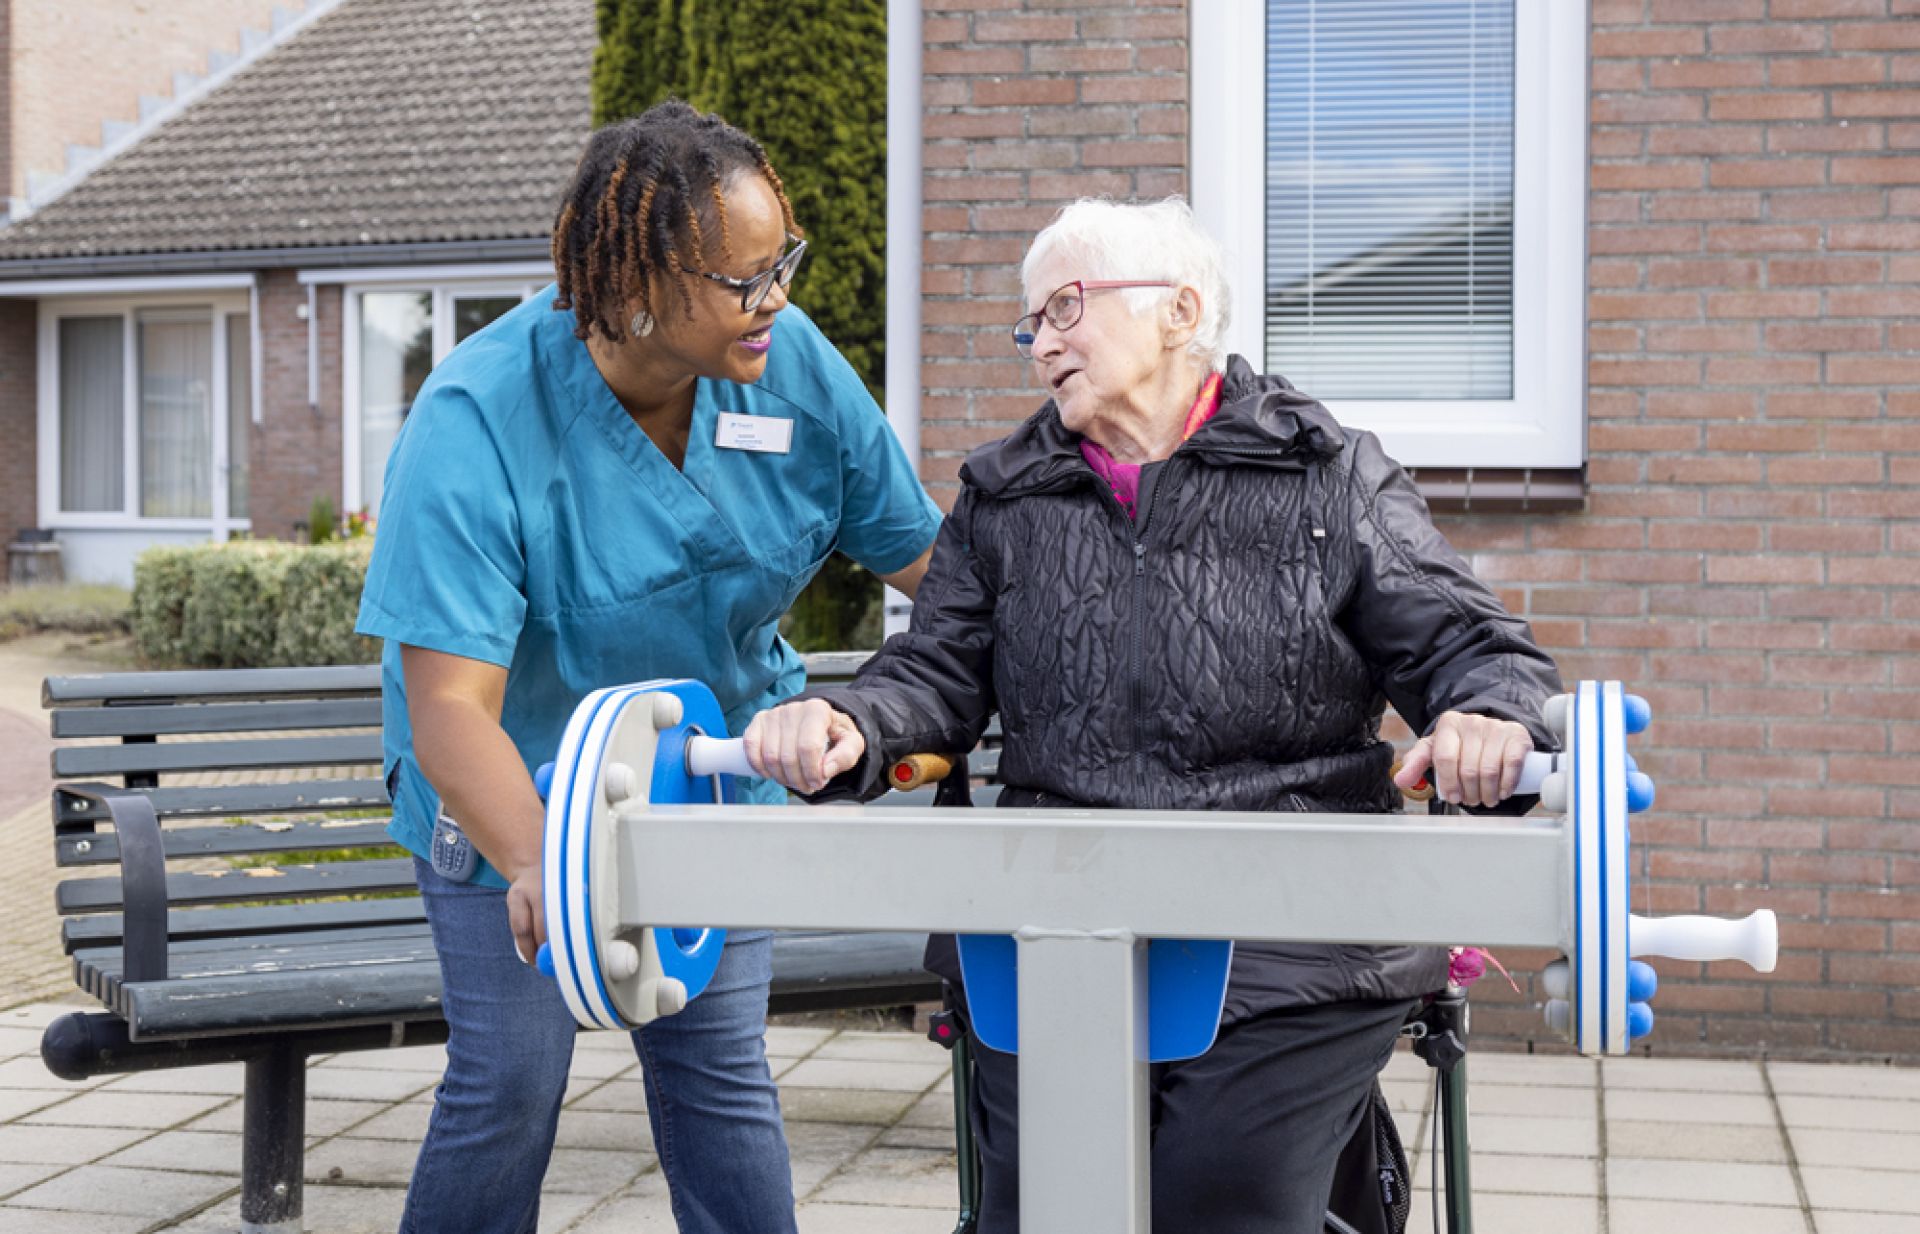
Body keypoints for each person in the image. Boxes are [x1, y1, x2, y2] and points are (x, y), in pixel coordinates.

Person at [743, 197, 1562, 1234]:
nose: (1041, 341)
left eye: (1067, 308)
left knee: (1216, 1202)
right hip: (1058, 922)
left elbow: (1475, 649)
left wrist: (1489, 717)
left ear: (1180, 310)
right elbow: (935, 674)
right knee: (1046, 1212)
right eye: (1031, 322)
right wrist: (855, 722)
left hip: (1290, 934)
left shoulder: (1326, 477)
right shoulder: (1006, 497)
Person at [354, 101, 942, 1234]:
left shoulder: (788, 365)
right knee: (508, 1091)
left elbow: (935, 565)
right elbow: (447, 708)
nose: (776, 298)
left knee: (722, 1083)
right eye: (742, 280)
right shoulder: (476, 416)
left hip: (705, 782)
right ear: (634, 292)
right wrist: (543, 865)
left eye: (784, 264)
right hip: (510, 800)